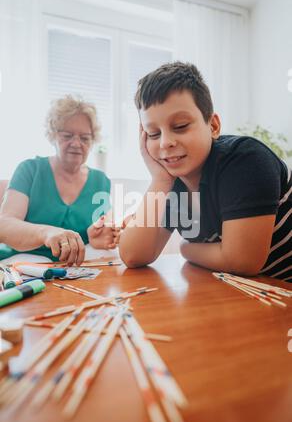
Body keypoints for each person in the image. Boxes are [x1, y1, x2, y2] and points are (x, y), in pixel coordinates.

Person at [119, 62, 292, 282]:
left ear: (213, 126)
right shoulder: (171, 184)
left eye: (180, 126)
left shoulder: (245, 160)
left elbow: (242, 261)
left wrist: (185, 249)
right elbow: (133, 255)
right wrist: (160, 181)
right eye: (153, 134)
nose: (165, 142)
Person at [0, 95, 119, 265]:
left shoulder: (101, 181)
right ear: (53, 135)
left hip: (76, 268)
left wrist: (100, 238)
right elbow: (4, 225)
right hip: (24, 265)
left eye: (85, 138)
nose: (76, 143)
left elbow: (103, 228)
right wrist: (45, 233)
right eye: (67, 135)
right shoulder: (29, 170)